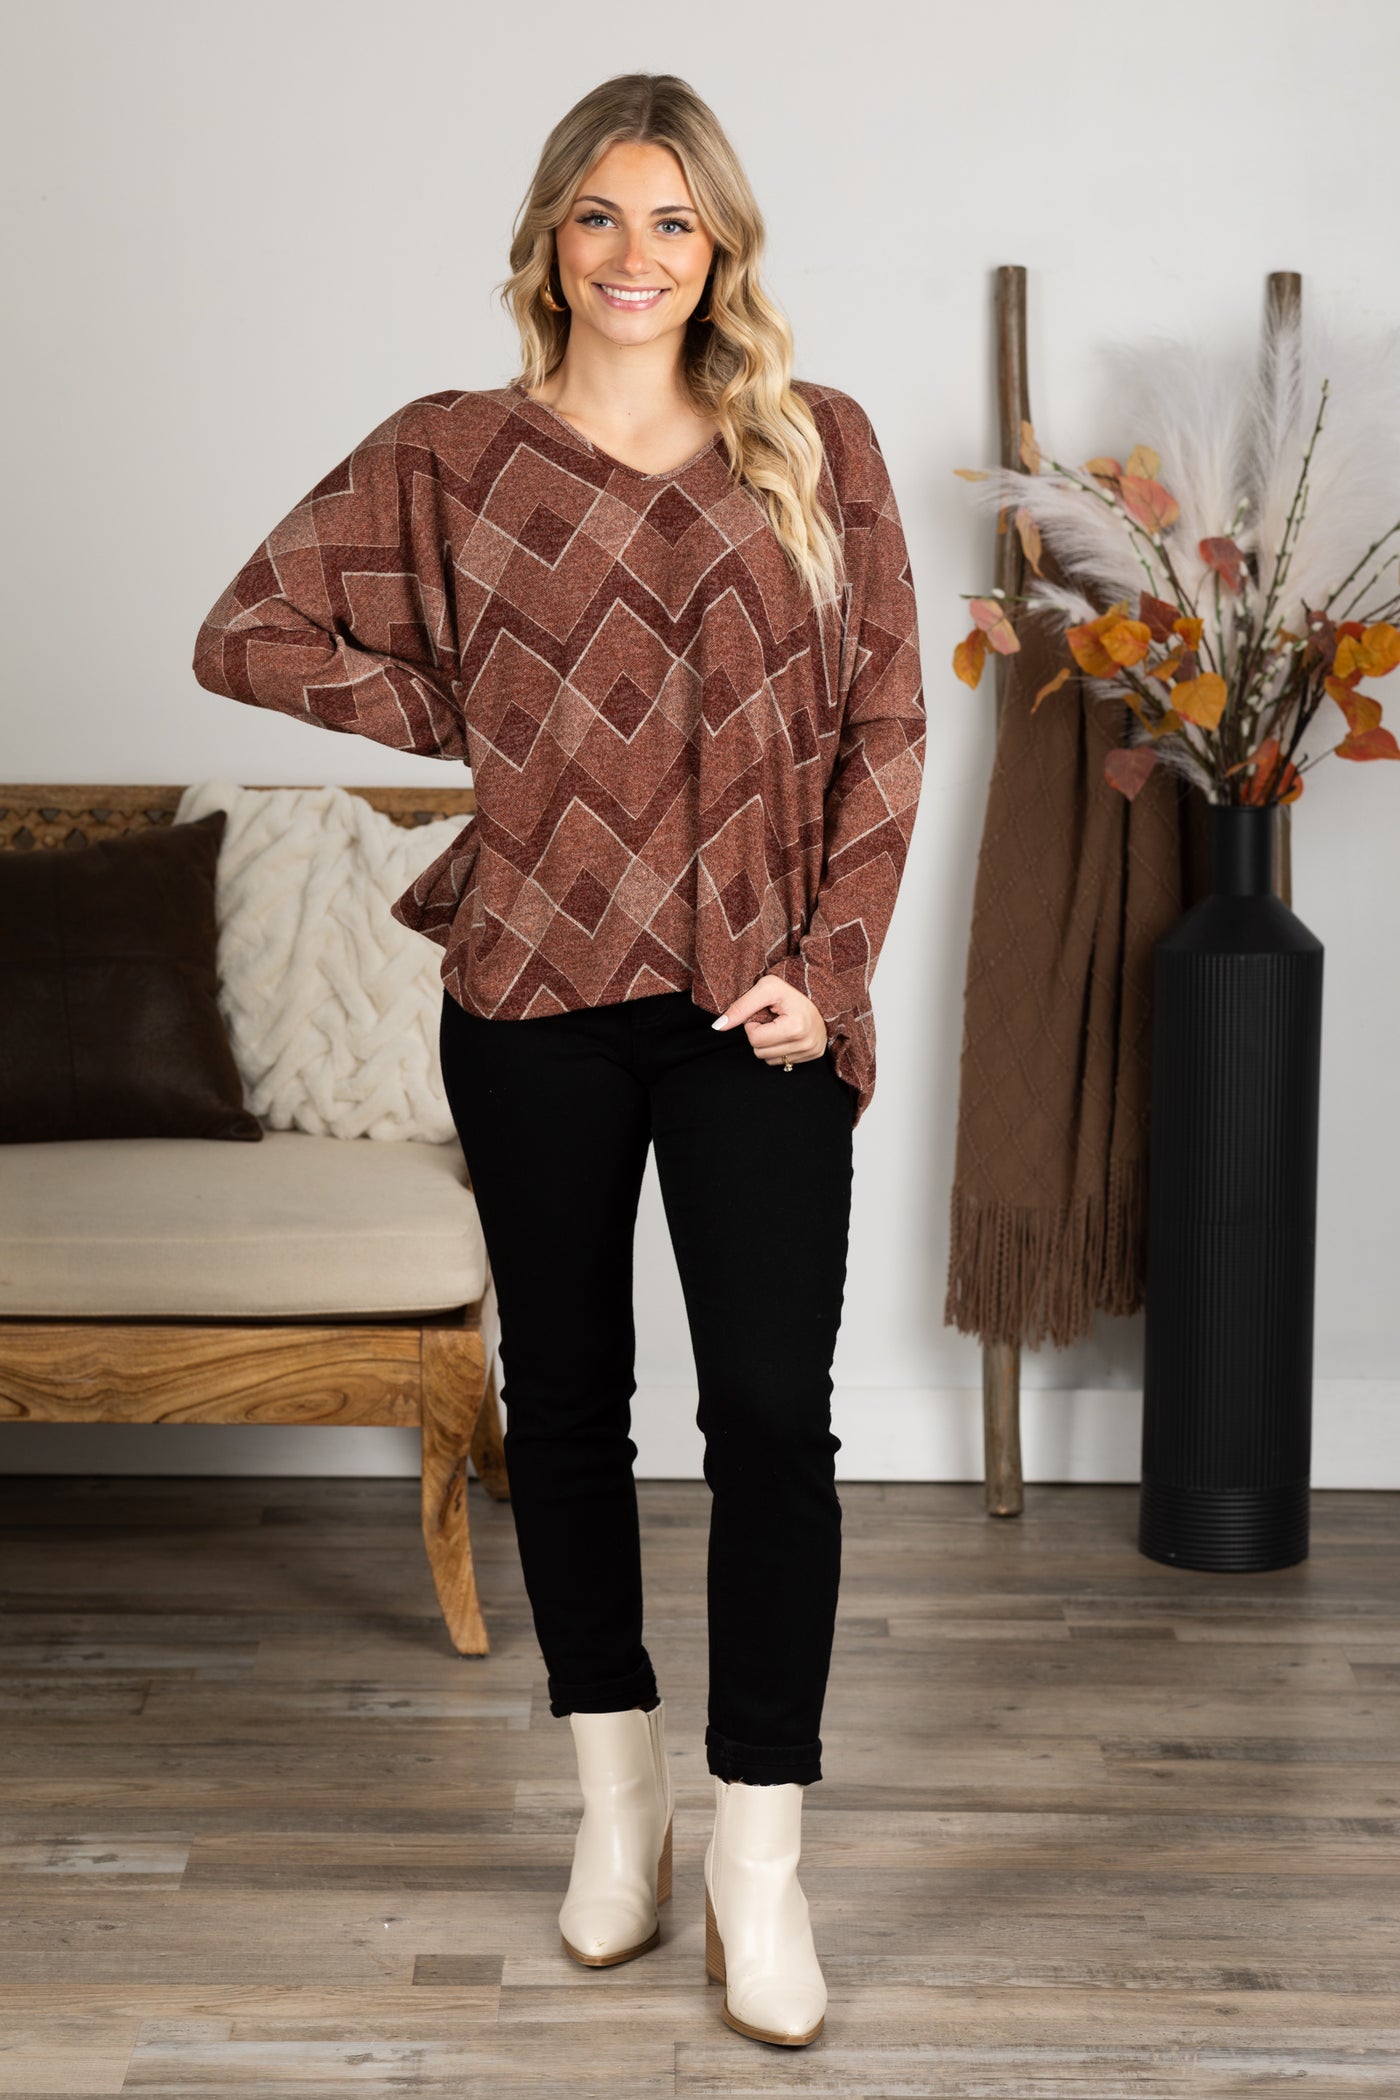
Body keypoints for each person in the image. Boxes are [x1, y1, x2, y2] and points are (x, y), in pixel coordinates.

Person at [192, 71, 925, 2050]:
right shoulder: (454, 454)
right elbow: (247, 631)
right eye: (598, 214)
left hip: (761, 999)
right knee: (571, 1407)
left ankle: (759, 1854)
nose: (633, 253)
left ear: (722, 247)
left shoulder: (818, 444)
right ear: (546, 239)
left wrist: (832, 964)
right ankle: (618, 1805)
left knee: (768, 1414)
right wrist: (490, 712)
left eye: (672, 219)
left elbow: (885, 729)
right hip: (529, 989)